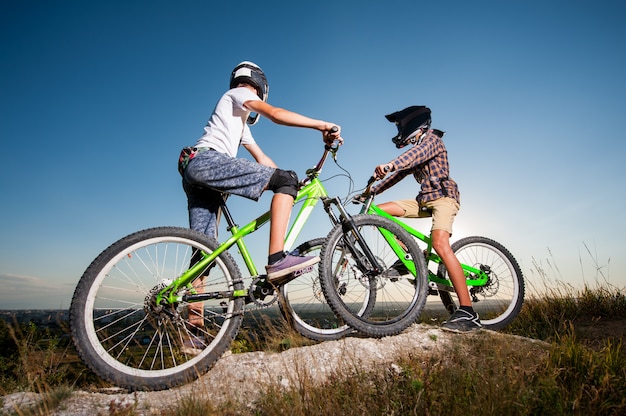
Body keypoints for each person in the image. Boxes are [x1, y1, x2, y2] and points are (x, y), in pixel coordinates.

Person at [179, 60, 342, 288]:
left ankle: (193, 318)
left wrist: (293, 186)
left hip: (197, 171)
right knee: (285, 179)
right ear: (261, 86)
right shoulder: (238, 93)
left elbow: (263, 161)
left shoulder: (239, 123)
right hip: (208, 162)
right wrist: (322, 125)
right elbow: (275, 114)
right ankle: (277, 260)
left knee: (204, 254)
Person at [369, 105, 482, 333]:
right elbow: (399, 175)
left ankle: (469, 312)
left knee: (440, 244)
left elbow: (411, 157)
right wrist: (371, 191)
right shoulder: (418, 147)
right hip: (424, 200)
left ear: (416, 125)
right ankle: (411, 255)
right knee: (376, 211)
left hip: (443, 198)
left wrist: (390, 164)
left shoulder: (432, 141)